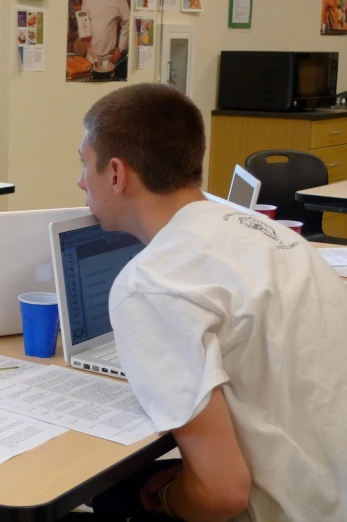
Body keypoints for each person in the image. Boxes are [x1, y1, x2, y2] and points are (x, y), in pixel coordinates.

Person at [73, 83, 347, 521]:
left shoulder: (151, 283)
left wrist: (172, 498)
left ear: (118, 174)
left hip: (296, 510)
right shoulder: (263, 230)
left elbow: (221, 495)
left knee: (120, 496)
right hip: (331, 482)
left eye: (86, 164)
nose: (81, 180)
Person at [75, 0, 130, 80]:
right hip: (90, 57)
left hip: (108, 59)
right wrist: (84, 34)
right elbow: (84, 20)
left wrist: (121, 48)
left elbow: (127, 21)